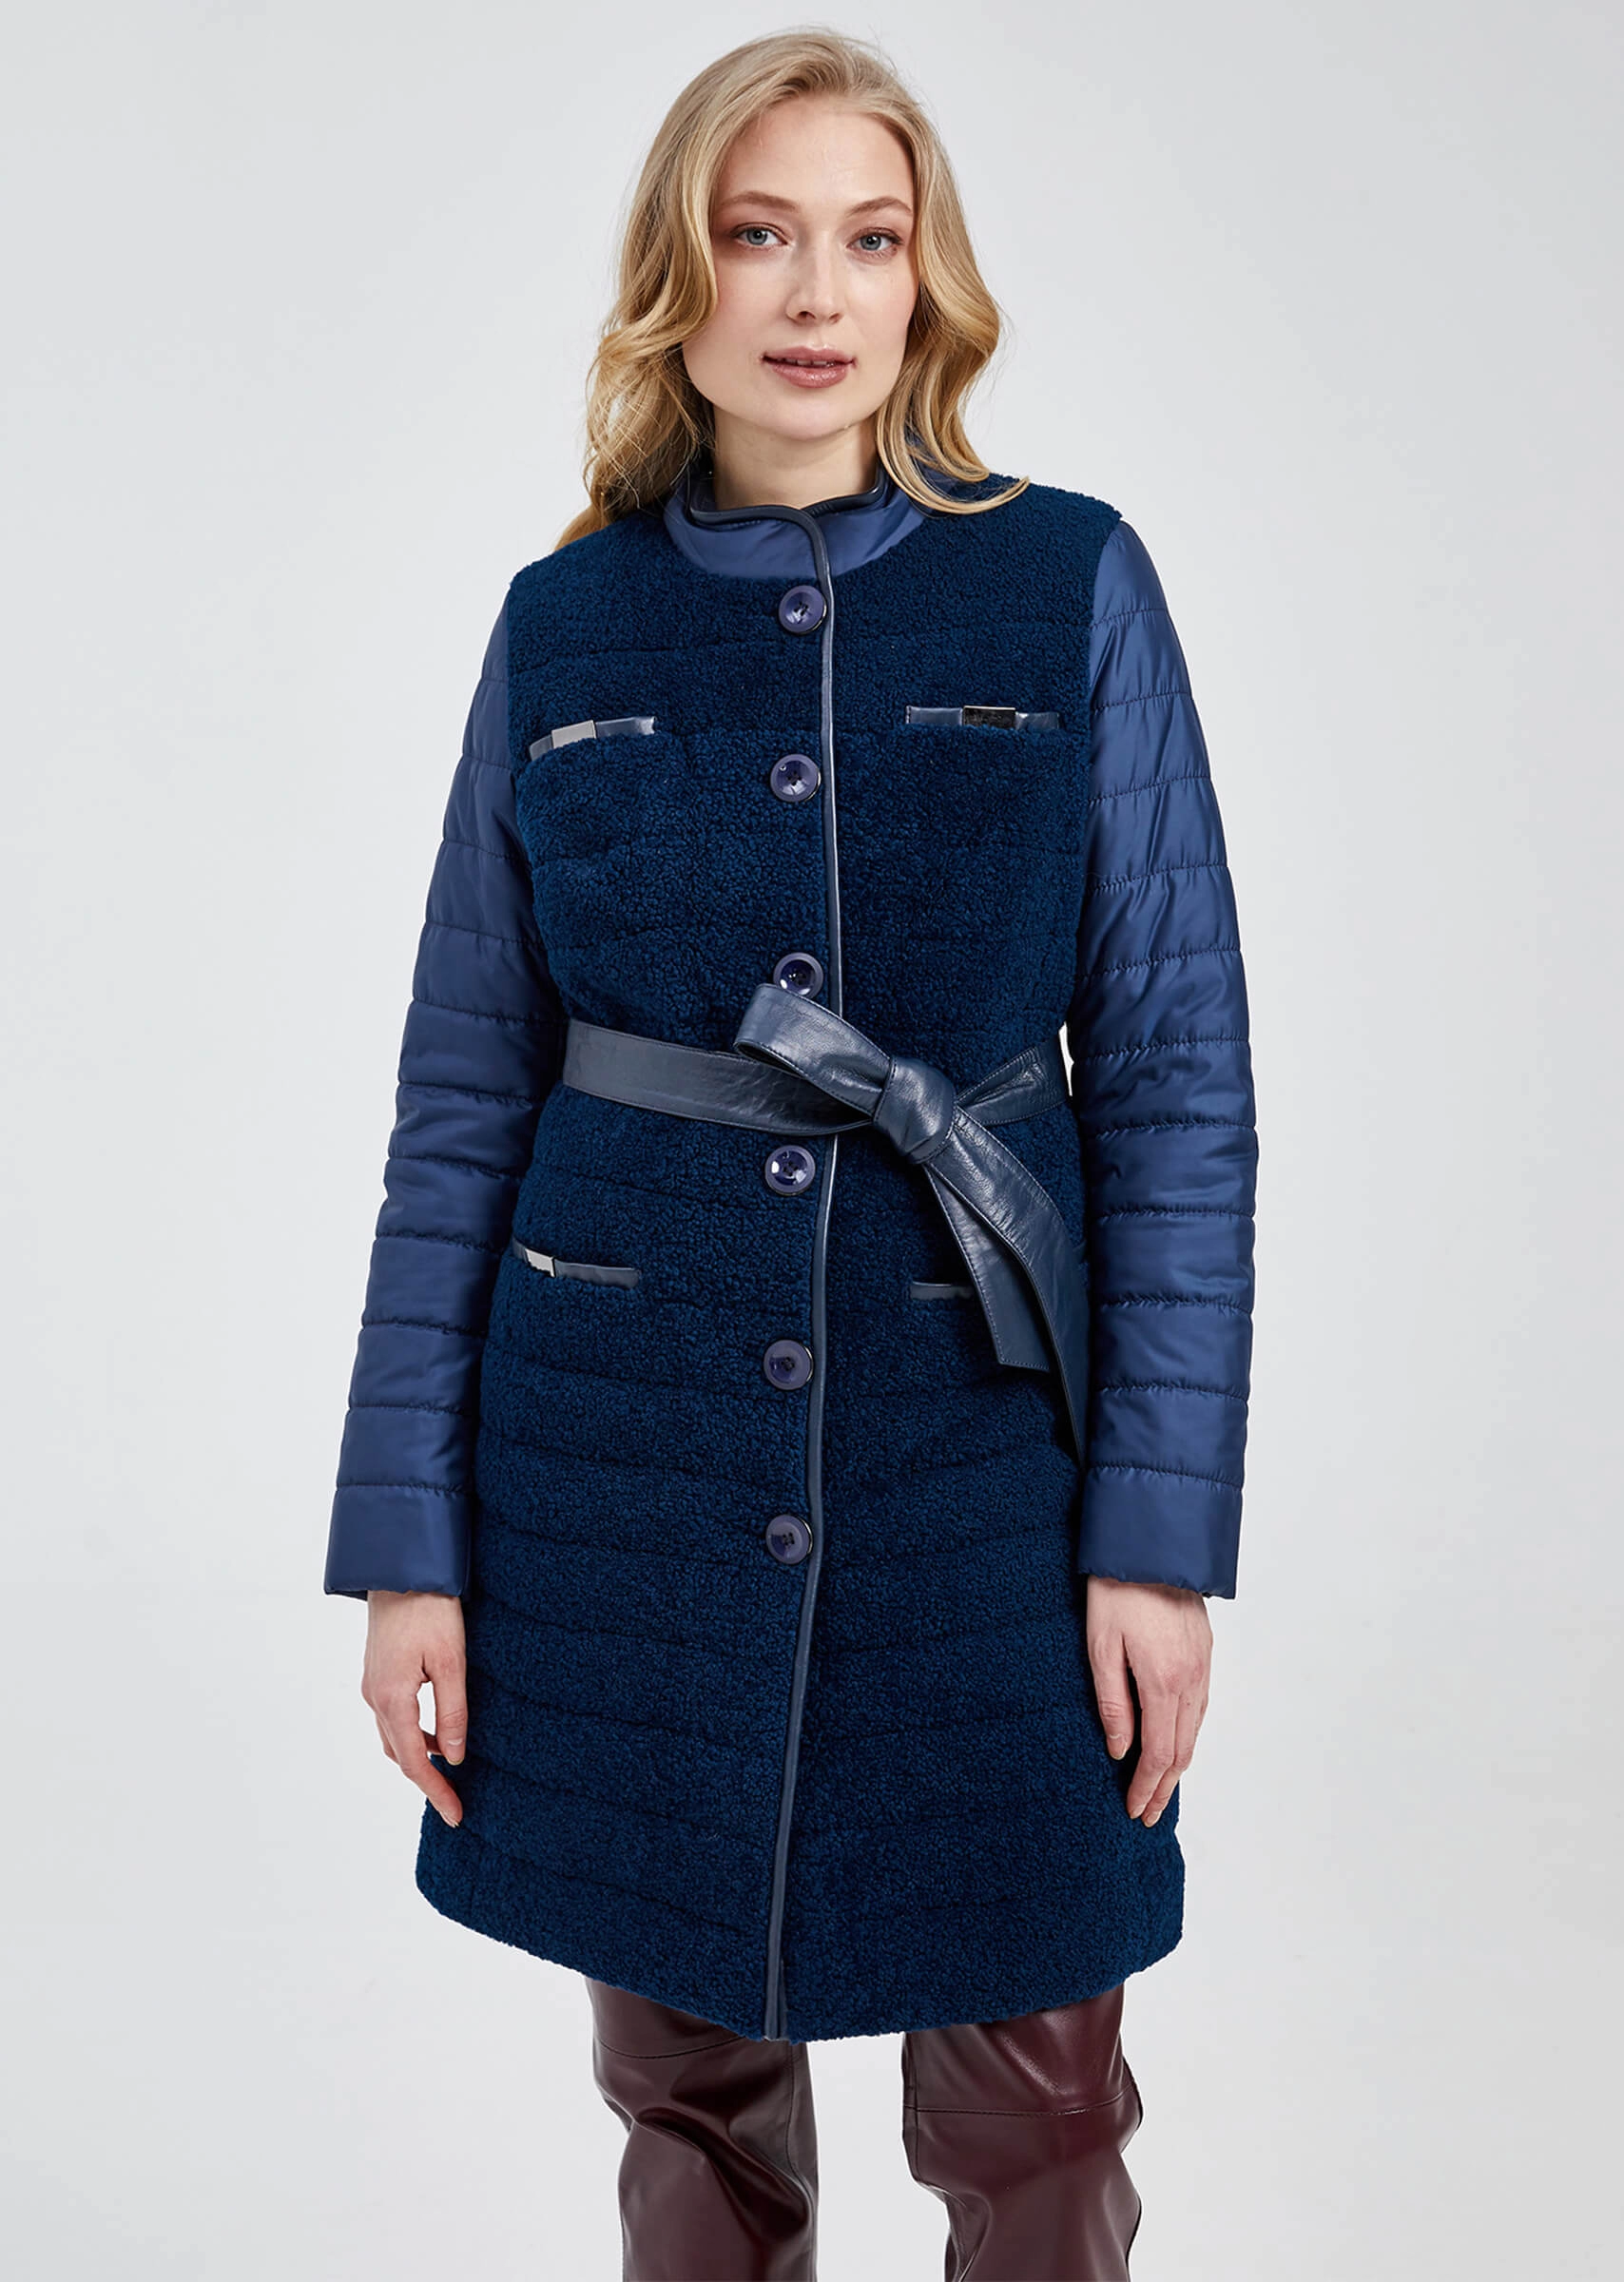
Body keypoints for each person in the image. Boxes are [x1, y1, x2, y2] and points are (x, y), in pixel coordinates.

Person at [323, 29, 1257, 2280]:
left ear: (930, 281)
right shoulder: (563, 626)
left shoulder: (1070, 583)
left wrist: (1158, 1539)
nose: (817, 292)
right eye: (760, 235)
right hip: (617, 1457)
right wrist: (407, 1549)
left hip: (985, 1454)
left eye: (869, 236)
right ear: (683, 276)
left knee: (1041, 2099)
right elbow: (463, 1097)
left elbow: (1176, 1080)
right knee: (689, 2094)